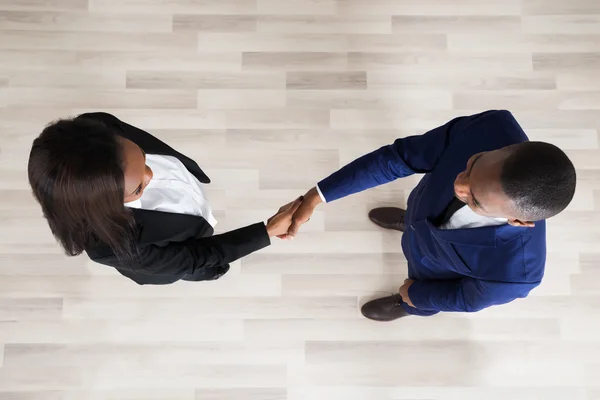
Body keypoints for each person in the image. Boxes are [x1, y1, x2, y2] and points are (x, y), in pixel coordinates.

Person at [286, 110, 576, 320]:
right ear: (508, 147)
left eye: (473, 199)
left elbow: (466, 298)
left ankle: (406, 306)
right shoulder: (491, 128)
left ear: (518, 221)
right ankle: (408, 223)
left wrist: (416, 295)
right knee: (416, 220)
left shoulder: (517, 275)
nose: (458, 184)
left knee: (414, 298)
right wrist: (316, 196)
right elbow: (399, 158)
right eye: (472, 165)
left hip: (430, 273)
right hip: (422, 211)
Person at [28, 112, 301, 285]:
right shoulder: (111, 246)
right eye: (137, 188)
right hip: (171, 259)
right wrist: (265, 231)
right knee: (197, 269)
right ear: (108, 204)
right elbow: (193, 256)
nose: (151, 173)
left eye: (143, 159)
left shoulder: (99, 125)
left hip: (184, 213)